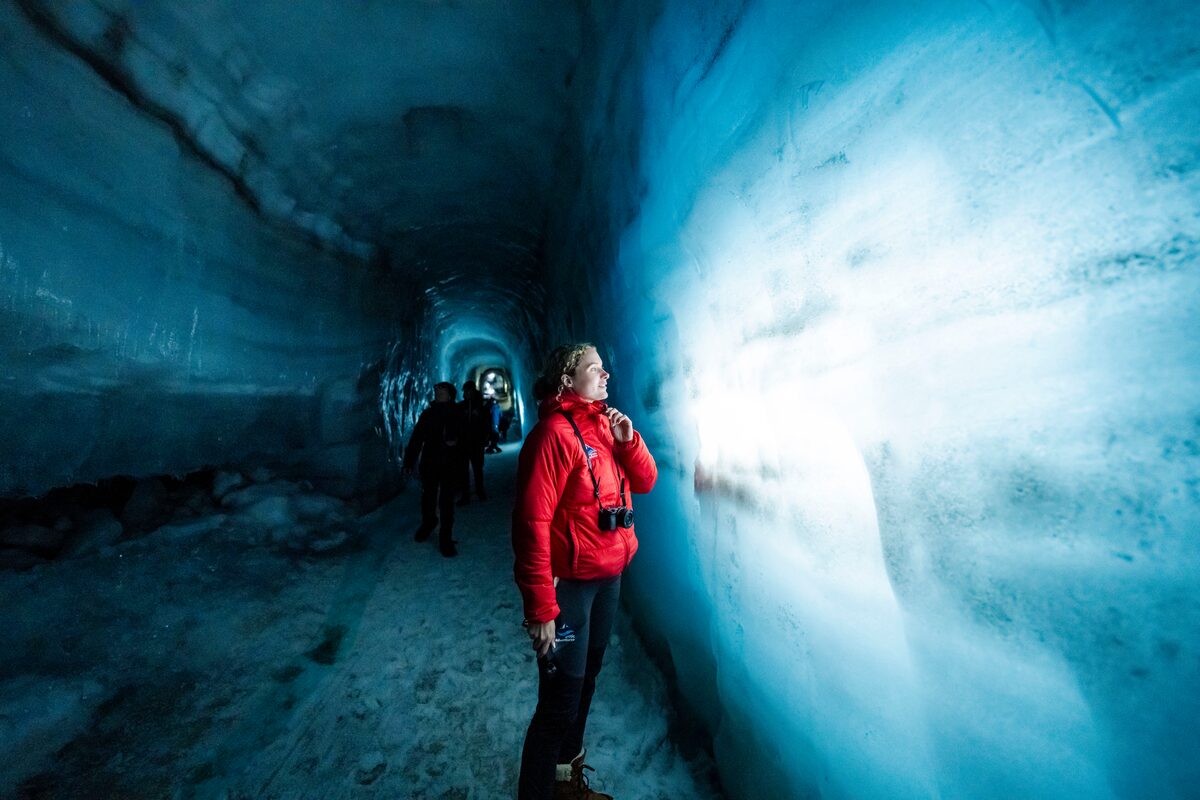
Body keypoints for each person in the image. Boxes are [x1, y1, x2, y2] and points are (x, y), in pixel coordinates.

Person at [512, 343, 658, 800]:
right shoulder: (552, 435)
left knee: (586, 684)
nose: (606, 374)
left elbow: (648, 481)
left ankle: (565, 784)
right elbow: (532, 524)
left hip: (607, 579)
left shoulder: (604, 425)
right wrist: (541, 608)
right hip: (570, 588)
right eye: (594, 368)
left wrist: (628, 440)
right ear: (566, 380)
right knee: (559, 701)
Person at [403, 382, 464, 558]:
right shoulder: (428, 414)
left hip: (450, 463)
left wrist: (457, 444)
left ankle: (445, 539)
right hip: (430, 462)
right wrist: (409, 461)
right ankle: (428, 522)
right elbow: (417, 438)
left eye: (442, 392)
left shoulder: (457, 413)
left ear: (450, 395)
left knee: (446, 501)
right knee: (428, 496)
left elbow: (467, 436)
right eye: (437, 391)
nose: (438, 394)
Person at [458, 381, 490, 503]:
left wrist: (486, 437)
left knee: (478, 468)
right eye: (465, 391)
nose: (466, 393)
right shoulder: (460, 407)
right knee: (463, 470)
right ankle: (465, 494)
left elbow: (487, 423)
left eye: (468, 391)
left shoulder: (481, 407)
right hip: (463, 443)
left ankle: (480, 490)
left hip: (477, 442)